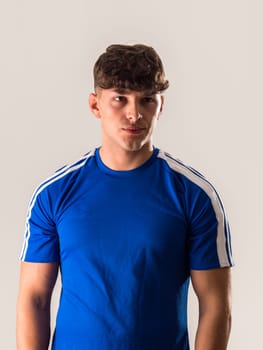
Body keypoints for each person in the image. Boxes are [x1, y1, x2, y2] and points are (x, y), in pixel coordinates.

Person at [16, 44, 233, 350]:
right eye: (120, 98)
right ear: (95, 106)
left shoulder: (195, 196)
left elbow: (215, 307)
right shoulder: (54, 194)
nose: (134, 113)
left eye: (146, 100)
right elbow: (34, 299)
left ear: (161, 106)